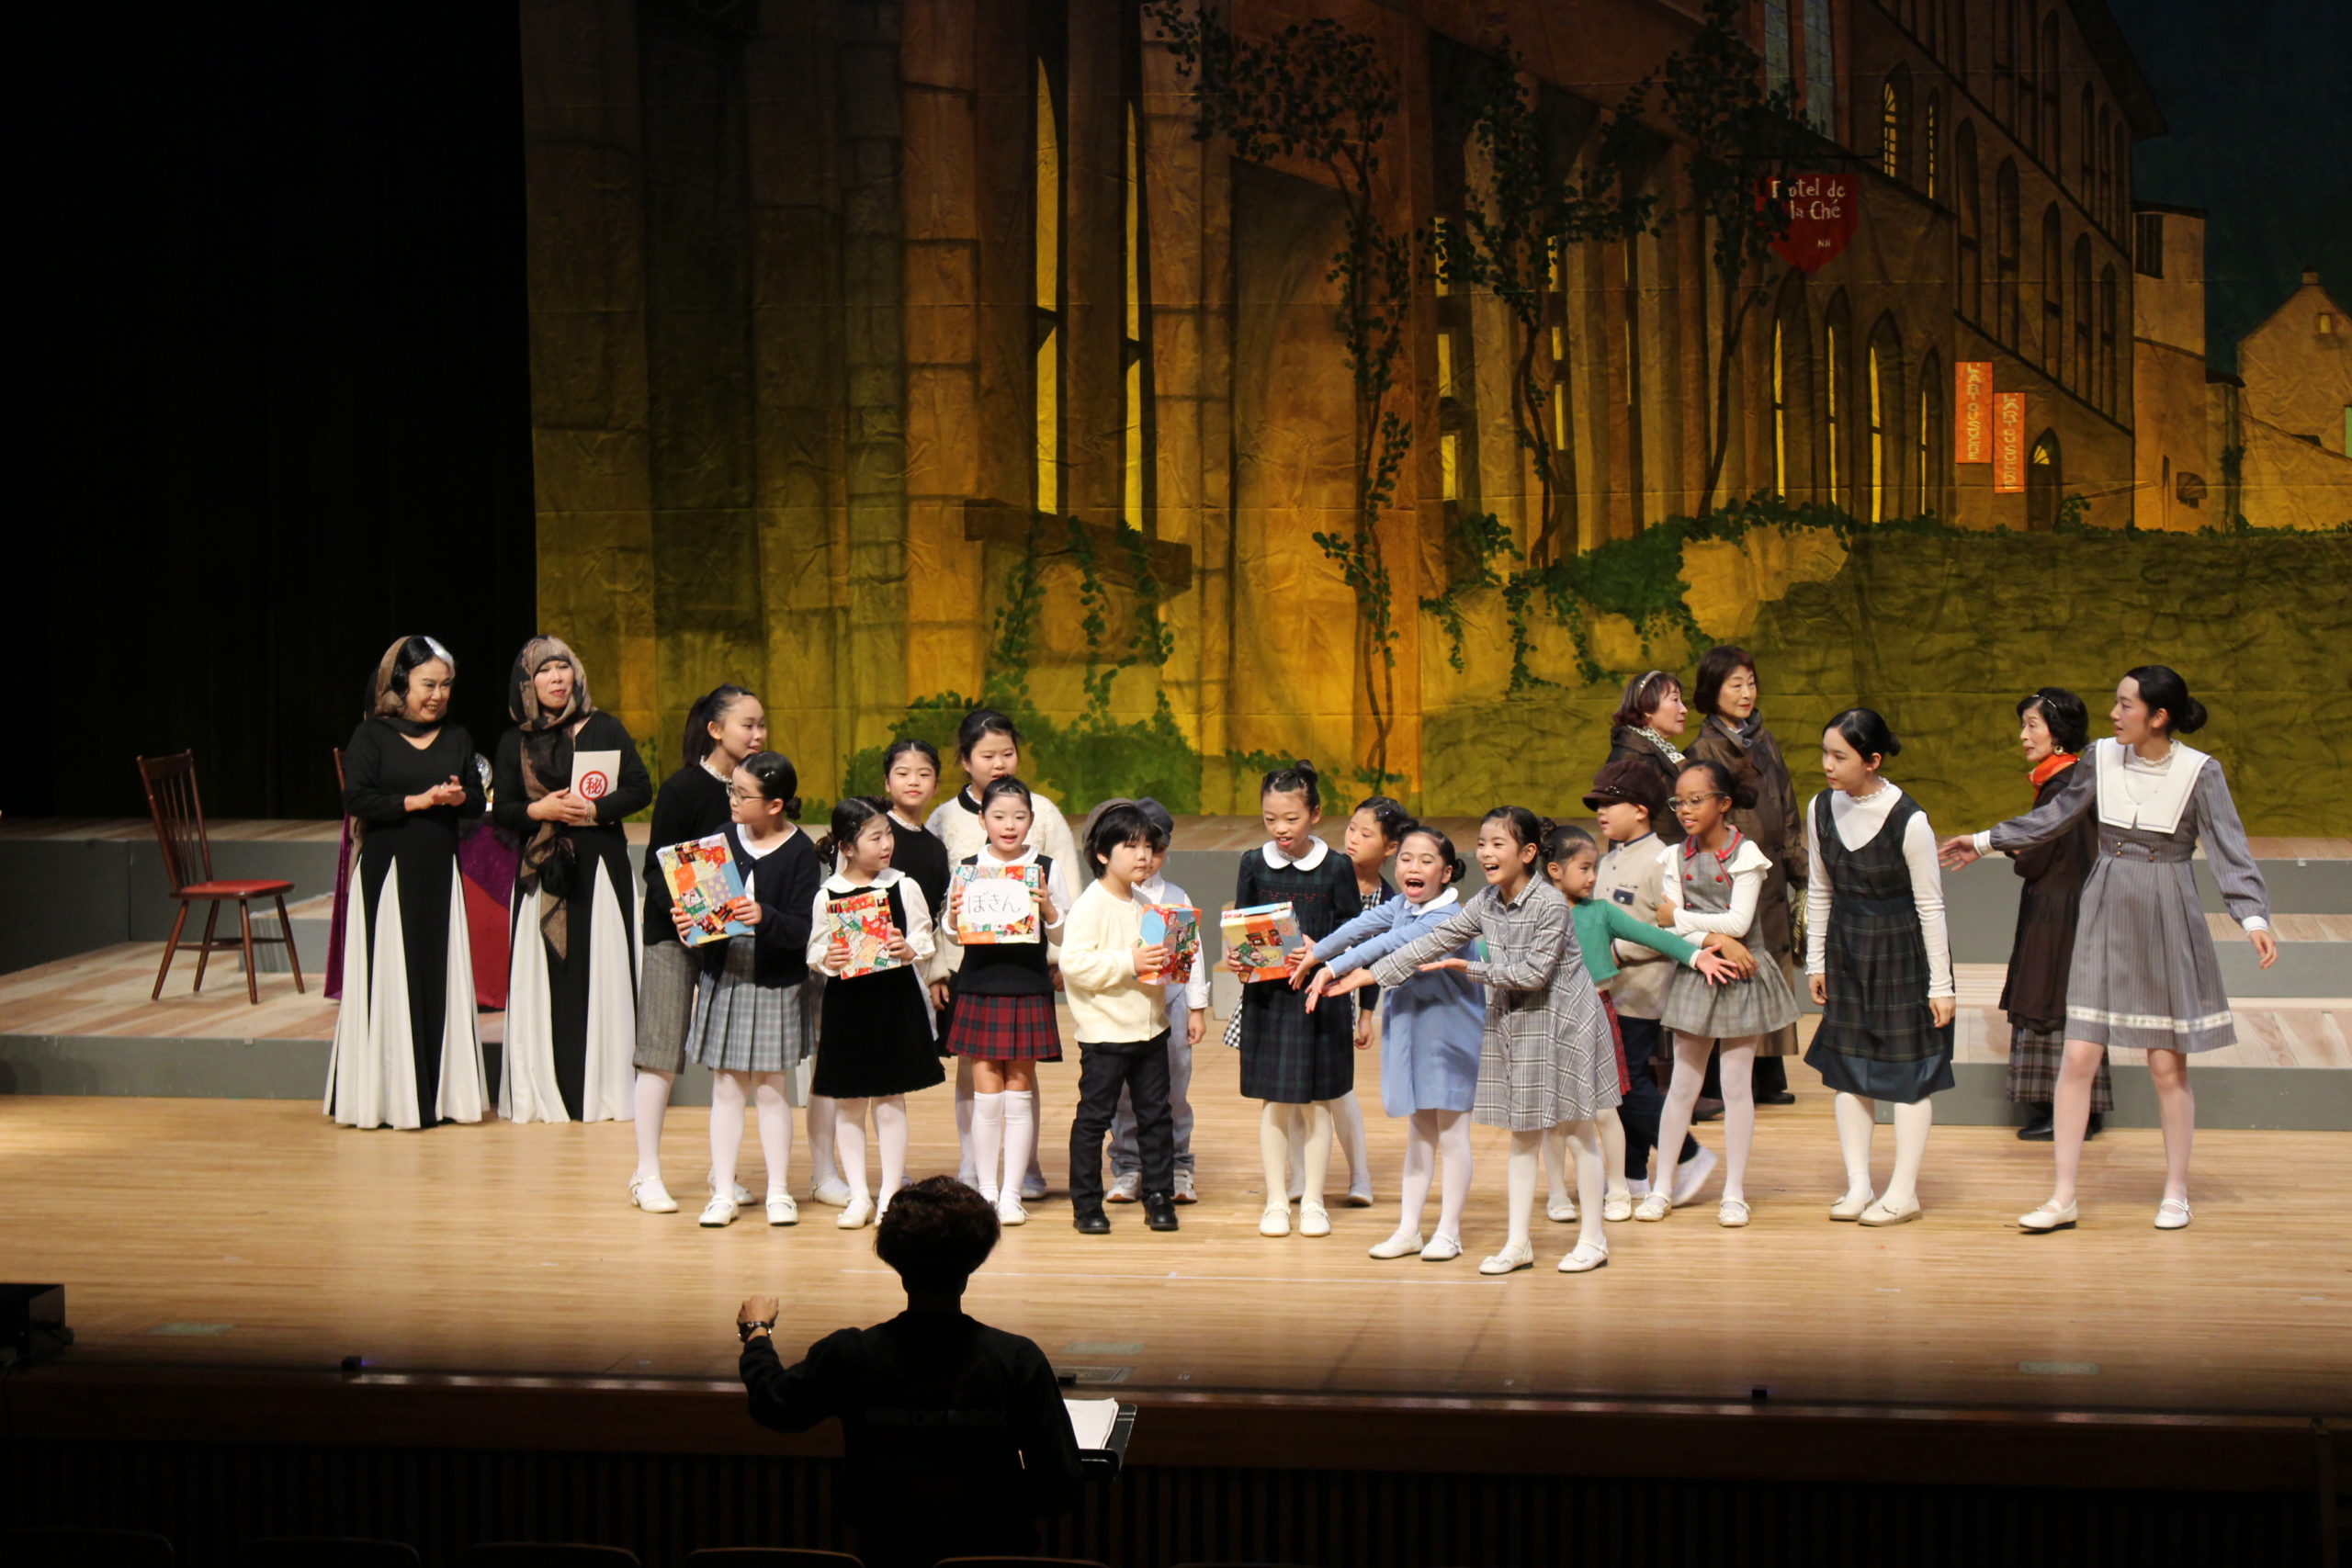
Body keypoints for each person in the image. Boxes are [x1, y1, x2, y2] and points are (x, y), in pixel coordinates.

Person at [1942, 666, 2276, 1233]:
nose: (2115, 714)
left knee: (2165, 1064)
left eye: (2126, 705)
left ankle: (2176, 1192)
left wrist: (2253, 916)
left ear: (2158, 716)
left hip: (2165, 909)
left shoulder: (2200, 771)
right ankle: (2063, 1196)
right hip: (2103, 905)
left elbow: (2229, 847)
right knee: (2078, 1056)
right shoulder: (2100, 757)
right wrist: (1985, 841)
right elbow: (2055, 816)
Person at [1328, 807, 1620, 1277]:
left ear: (1528, 852)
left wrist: (1472, 969)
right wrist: (1368, 974)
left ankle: (1593, 1239)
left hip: (1566, 1024)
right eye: (1482, 843)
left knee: (1577, 1132)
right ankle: (1518, 1243)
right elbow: (1434, 940)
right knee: (1522, 1136)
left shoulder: (1549, 904)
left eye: (1497, 844)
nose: (1485, 852)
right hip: (1520, 1022)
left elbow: (1533, 974)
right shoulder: (1485, 901)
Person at [735, 1176, 1083, 1568]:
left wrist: (757, 1332)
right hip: (993, 1557)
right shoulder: (1016, 1359)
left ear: (896, 1261)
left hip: (887, 1558)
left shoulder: (852, 1354)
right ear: (975, 1260)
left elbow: (775, 1403)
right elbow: (1060, 1484)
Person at [1539, 824, 1749, 1223]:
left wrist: (1696, 955)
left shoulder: (1599, 913)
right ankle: (1557, 1194)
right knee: (1553, 1114)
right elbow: (1488, 949)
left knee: (1607, 1108)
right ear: (1554, 870)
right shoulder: (1534, 913)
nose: (1592, 877)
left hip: (1595, 1014)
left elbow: (1654, 936)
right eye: (1584, 868)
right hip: (1547, 1018)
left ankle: (1619, 1187)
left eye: (1594, 867)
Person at [327, 635, 491, 1130]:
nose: (438, 695)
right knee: (392, 975)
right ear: (400, 685)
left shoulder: (457, 737)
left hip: (439, 873)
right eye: (427, 685)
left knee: (437, 976)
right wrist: (417, 802)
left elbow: (475, 800)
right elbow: (357, 799)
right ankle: (389, 1098)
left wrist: (458, 797)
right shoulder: (372, 736)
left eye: (446, 685)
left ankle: (443, 1095)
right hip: (388, 873)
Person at [1301, 824, 1483, 1261]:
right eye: (1406, 859)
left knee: (1452, 1134)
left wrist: (1335, 969)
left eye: (1426, 860)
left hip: (1450, 1032)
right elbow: (1361, 926)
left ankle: (1449, 1232)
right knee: (1419, 1130)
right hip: (1410, 1027)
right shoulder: (1402, 904)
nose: (1413, 867)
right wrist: (1317, 954)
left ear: (1447, 872)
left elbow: (1392, 943)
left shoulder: (1448, 917)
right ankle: (1409, 1230)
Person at [1804, 709, 1956, 1226]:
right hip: (1846, 948)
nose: (1827, 765)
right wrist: (1817, 960)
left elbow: (1931, 906)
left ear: (1871, 761)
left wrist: (1941, 985)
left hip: (1899, 951)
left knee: (1910, 1074)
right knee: (1849, 1071)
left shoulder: (1909, 819)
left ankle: (1903, 1192)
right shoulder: (1820, 808)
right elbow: (1820, 888)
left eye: (1839, 756)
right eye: (1825, 753)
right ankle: (1858, 1185)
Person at [494, 636, 652, 1123]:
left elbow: (640, 787)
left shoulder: (605, 726)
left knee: (602, 970)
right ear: (527, 683)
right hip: (543, 870)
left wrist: (594, 810)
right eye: (544, 671)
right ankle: (549, 1086)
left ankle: (606, 1087)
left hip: (600, 866)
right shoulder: (515, 741)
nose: (556, 678)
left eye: (562, 667)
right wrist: (538, 809)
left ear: (576, 674)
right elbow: (503, 811)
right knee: (550, 977)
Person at [1639, 761, 1804, 1227]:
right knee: (1682, 1085)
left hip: (1741, 975)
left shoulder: (1745, 853)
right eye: (1679, 801)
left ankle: (1734, 1192)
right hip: (1698, 971)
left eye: (1696, 800)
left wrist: (1688, 922)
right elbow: (1666, 927)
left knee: (1735, 1085)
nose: (1685, 810)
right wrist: (1713, 939)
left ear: (1723, 803)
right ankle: (1663, 1186)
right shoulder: (1674, 856)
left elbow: (1738, 922)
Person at [928, 709, 1075, 1202]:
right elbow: (952, 931)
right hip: (978, 982)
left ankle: (1013, 1189)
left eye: (1018, 818)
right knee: (984, 1088)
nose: (1009, 826)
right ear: (983, 820)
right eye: (998, 817)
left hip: (1027, 982)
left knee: (1020, 1088)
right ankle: (984, 1187)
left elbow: (1065, 927)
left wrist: (1050, 912)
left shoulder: (1044, 865)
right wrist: (953, 916)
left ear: (1031, 819)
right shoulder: (968, 866)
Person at [630, 683, 767, 1213]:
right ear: (715, 729)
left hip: (731, 939)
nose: (757, 734)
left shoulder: (756, 788)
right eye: (747, 725)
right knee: (660, 1051)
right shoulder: (683, 788)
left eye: (761, 725)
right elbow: (656, 867)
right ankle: (645, 1173)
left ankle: (722, 1174)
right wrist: (680, 911)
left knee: (730, 1061)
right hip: (674, 935)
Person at [680, 752, 820, 1228]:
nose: (733, 801)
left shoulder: (800, 851)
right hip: (728, 975)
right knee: (726, 1086)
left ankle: (780, 1191)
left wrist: (765, 917)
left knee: (771, 1087)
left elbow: (804, 928)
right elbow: (705, 915)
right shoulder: (720, 838)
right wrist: (690, 923)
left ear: (775, 804)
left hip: (776, 979)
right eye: (732, 790)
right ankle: (723, 1190)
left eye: (743, 794)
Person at [1229, 761, 1360, 1240]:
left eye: (1291, 818)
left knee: (1319, 1100)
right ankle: (1276, 1201)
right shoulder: (1253, 863)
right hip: (1269, 997)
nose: (1280, 829)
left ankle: (1315, 1201)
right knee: (1275, 1101)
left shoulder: (1337, 867)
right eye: (1270, 819)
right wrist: (1239, 957)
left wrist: (1320, 951)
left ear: (1315, 814)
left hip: (1318, 996)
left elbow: (1354, 933)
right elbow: (1244, 927)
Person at [808, 796, 944, 1228]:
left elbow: (925, 937)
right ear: (847, 847)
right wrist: (826, 958)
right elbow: (815, 948)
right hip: (848, 1006)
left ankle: (888, 1193)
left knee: (889, 1099)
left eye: (888, 834)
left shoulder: (903, 886)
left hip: (893, 1000)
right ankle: (858, 1195)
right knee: (848, 1103)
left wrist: (908, 948)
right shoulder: (828, 894)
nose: (887, 844)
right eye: (875, 837)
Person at [1584, 761, 1716, 1205]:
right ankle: (1633, 1175)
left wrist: (1618, 952)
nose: (1601, 812)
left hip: (1641, 992)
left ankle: (1689, 1155)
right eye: (1598, 805)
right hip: (1608, 993)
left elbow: (1672, 926)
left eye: (1609, 803)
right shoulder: (1609, 859)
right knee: (1623, 1082)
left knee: (1626, 1084)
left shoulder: (1663, 860)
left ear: (1641, 810)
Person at [1687, 646, 1805, 1105]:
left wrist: (1799, 868)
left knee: (1770, 966)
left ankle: (1767, 1074)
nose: (1746, 692)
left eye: (1750, 682)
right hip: (1731, 873)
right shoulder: (1703, 749)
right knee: (1736, 968)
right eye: (1735, 684)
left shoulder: (1765, 740)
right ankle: (1728, 1080)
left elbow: (1787, 806)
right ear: (1712, 691)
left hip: (1769, 871)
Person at [1059, 803, 1181, 1235]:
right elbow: (1074, 965)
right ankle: (1087, 1205)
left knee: (1156, 1118)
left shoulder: (1145, 903)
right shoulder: (1091, 904)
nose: (1143, 855)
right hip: (1106, 1033)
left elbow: (1152, 963)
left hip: (1151, 1029)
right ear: (1102, 854)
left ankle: (1160, 1197)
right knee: (1094, 1119)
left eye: (1148, 846)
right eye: (1130, 846)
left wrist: (1174, 961)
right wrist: (1129, 962)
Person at [1996, 688, 2110, 1141]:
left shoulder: (2062, 786)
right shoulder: (2074, 779)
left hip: (2057, 908)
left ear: (2058, 733)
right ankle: (2080, 1111)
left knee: (2047, 999)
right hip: (2071, 901)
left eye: (2032, 726)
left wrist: (2016, 851)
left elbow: (2038, 854)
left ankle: (2064, 1111)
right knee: (2067, 1001)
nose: (2024, 736)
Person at [1287, 795, 1405, 1208]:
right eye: (1352, 828)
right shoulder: (1324, 871)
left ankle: (1360, 1177)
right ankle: (1298, 1178)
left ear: (1391, 848)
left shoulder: (1388, 900)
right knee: (1290, 1092)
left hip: (1338, 1000)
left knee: (1339, 1094)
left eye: (1366, 834)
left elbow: (1375, 961)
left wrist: (1366, 1015)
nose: (1353, 838)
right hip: (1295, 989)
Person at [1108, 797, 1211, 1204]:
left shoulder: (1175, 895)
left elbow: (1193, 955)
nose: (1147, 858)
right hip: (1124, 1006)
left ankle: (1178, 1166)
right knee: (1124, 1092)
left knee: (1174, 1089)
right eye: (1137, 846)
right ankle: (1129, 1167)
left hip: (1171, 1005)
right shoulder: (1112, 895)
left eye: (1156, 848)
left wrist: (1197, 1008)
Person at [1605, 670, 1690, 844]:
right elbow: (1621, 827)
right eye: (1675, 700)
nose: (1684, 709)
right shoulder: (1630, 758)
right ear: (1647, 708)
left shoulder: (1662, 750)